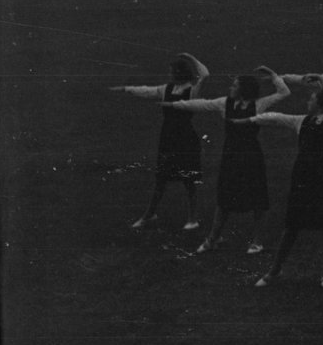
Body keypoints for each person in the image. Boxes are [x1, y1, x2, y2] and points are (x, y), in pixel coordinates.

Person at [169, 68, 292, 254]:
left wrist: (274, 75)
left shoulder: (259, 105)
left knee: (257, 199)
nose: (231, 87)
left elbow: (284, 93)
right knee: (224, 198)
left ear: (243, 89)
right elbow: (203, 104)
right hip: (231, 156)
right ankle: (212, 239)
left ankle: (257, 241)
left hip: (251, 156)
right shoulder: (224, 103)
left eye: (234, 85)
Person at [249, 77, 323, 288]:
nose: (307, 103)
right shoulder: (302, 121)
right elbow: (277, 118)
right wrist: (251, 119)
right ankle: (273, 271)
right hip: (303, 179)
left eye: (311, 99)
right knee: (292, 226)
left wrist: (322, 81)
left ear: (320, 104)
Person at [111, 52, 211, 231]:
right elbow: (146, 90)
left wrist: (191, 58)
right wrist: (127, 89)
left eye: (172, 72)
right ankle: (149, 215)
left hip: (185, 138)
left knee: (189, 180)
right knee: (161, 178)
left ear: (180, 73)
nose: (170, 75)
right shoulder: (167, 88)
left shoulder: (193, 89)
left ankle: (192, 218)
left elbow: (205, 74)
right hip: (169, 138)